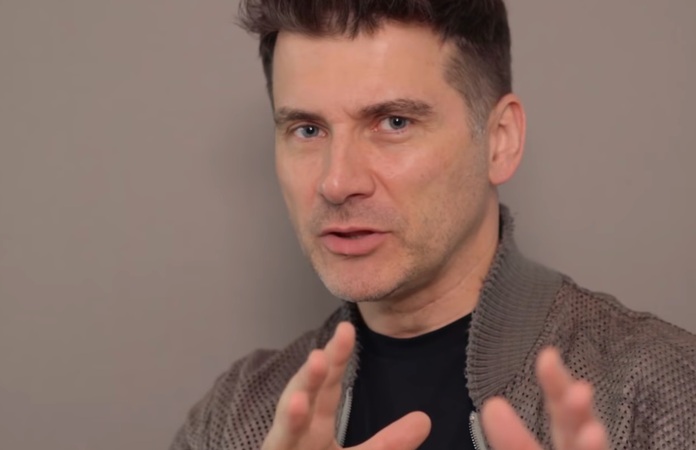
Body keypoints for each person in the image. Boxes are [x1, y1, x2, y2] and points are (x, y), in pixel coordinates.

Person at [171, 1, 696, 449]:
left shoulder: (664, 395)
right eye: (307, 129)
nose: (337, 181)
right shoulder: (234, 418)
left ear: (500, 140)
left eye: (394, 122)